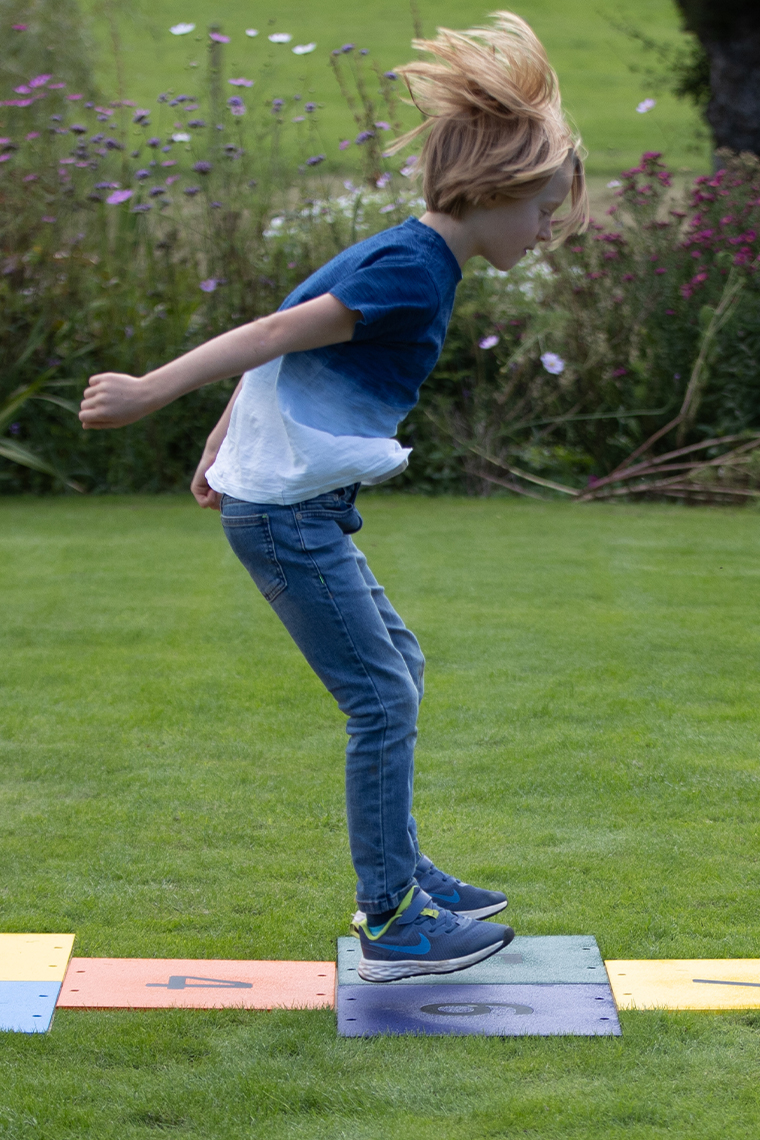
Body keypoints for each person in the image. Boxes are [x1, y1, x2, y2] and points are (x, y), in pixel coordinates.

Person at [79, 11, 588, 983]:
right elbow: (270, 334)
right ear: (493, 192)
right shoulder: (408, 267)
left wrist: (223, 443)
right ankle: (393, 918)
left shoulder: (406, 253)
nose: (548, 231)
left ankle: (404, 872)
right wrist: (153, 395)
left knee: (398, 662)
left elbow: (288, 346)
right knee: (381, 695)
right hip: (286, 518)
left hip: (284, 504)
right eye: (543, 212)